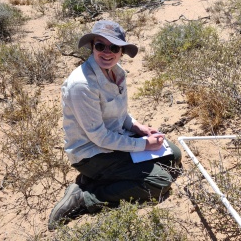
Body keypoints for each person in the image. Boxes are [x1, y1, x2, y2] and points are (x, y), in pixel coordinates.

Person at [48, 20, 182, 230]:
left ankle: (99, 180)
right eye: (101, 46)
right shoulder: (82, 85)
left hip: (116, 140)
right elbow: (99, 138)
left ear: (121, 51)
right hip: (93, 154)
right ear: (92, 47)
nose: (107, 52)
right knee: (159, 182)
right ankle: (87, 197)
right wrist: (144, 145)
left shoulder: (116, 72)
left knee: (173, 155)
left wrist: (138, 127)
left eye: (114, 47)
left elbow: (120, 112)